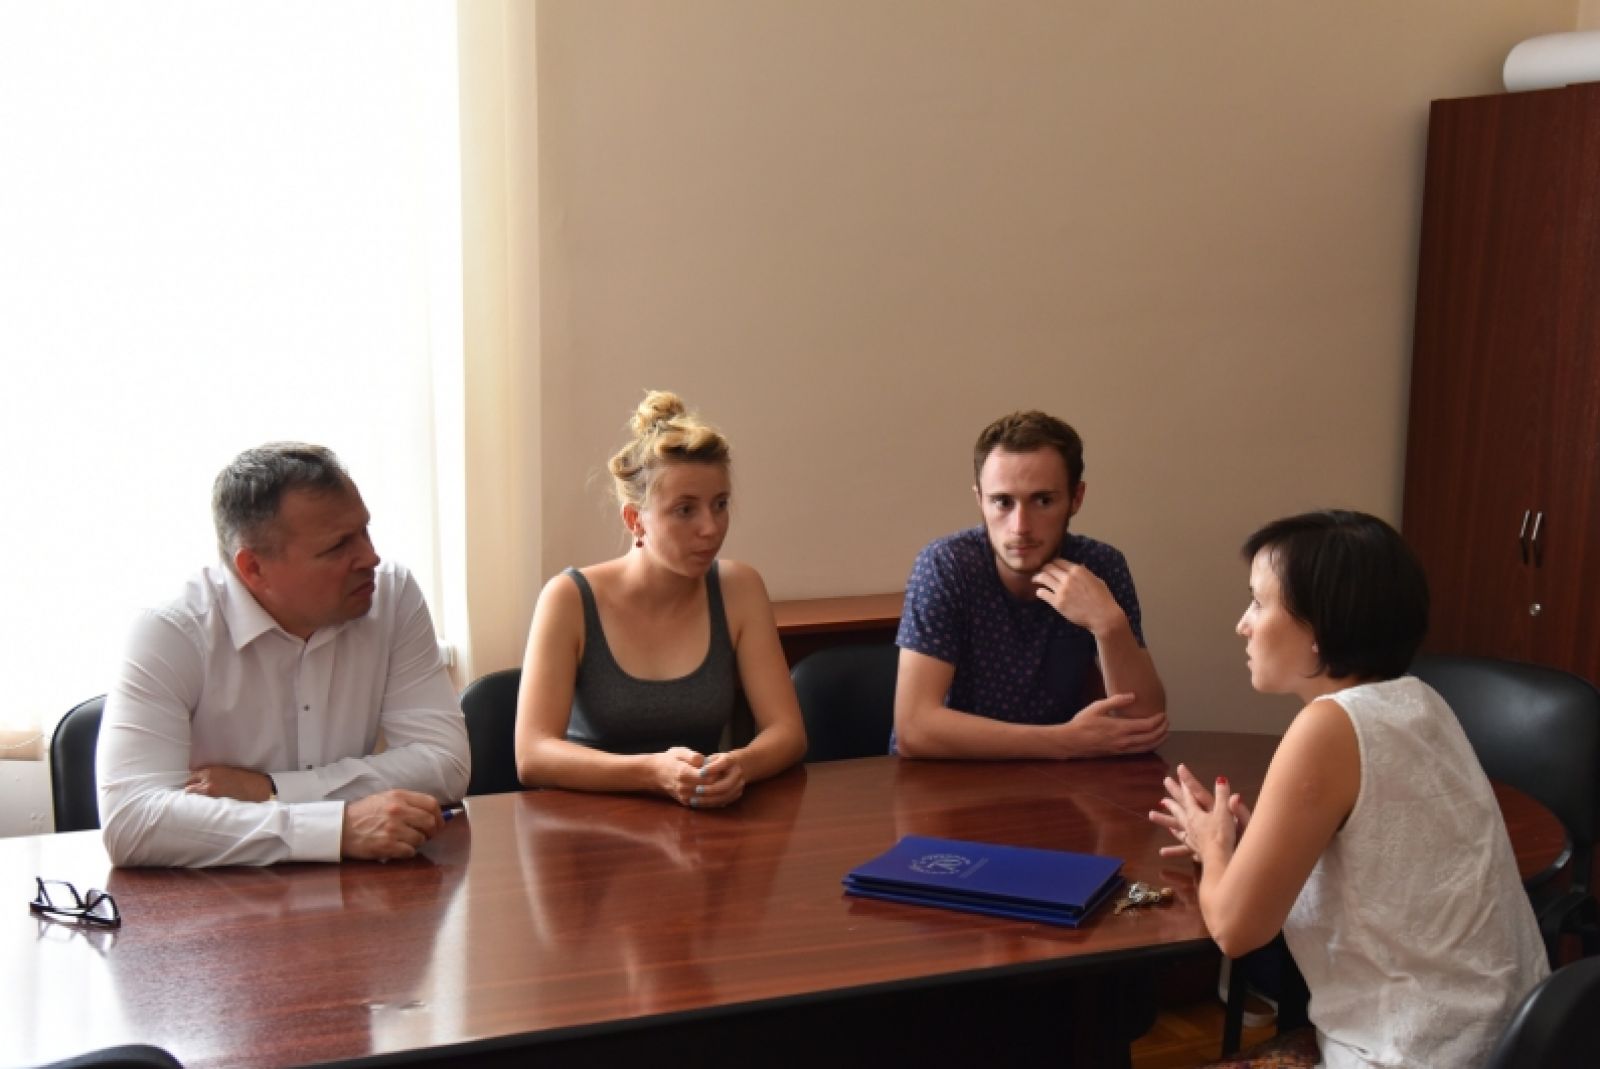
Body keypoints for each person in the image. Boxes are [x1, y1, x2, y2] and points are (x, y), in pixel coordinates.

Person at [1151, 510, 1548, 1068]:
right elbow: (1383, 865)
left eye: (1259, 603)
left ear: (1319, 627)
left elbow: (1236, 931)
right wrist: (1257, 846)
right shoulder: (1421, 702)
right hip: (1510, 1041)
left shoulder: (1327, 726)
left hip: (1416, 1054)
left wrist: (1214, 847)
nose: (1243, 624)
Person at [98, 443, 471, 867]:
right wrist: (337, 829)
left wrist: (270, 789)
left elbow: (446, 764)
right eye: (337, 546)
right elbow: (132, 821)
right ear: (253, 568)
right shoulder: (172, 631)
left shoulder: (391, 594)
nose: (370, 557)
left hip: (364, 887)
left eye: (364, 530)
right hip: (217, 897)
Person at [514, 390, 806, 806]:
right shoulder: (569, 599)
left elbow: (788, 733)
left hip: (700, 818)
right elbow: (532, 755)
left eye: (720, 504)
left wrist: (739, 766)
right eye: (685, 510)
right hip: (588, 823)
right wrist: (653, 773)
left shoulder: (739, 588)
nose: (711, 528)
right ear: (635, 520)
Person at [893, 410, 1167, 758]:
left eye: (1043, 501)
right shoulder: (946, 566)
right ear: (980, 500)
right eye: (1002, 502)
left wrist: (1110, 625)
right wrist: (1065, 741)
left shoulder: (1099, 566)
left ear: (1076, 498)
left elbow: (1145, 725)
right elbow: (914, 729)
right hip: (951, 773)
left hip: (1059, 778)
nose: (1020, 526)